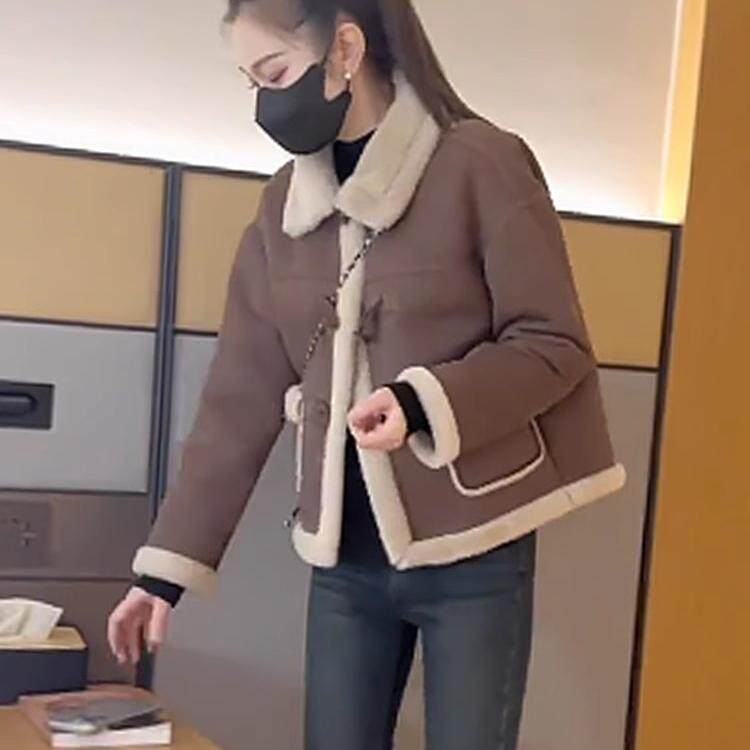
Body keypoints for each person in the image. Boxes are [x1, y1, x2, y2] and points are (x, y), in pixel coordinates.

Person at [107, 2, 626, 748]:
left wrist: (421, 402)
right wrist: (162, 575)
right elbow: (236, 399)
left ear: (345, 49)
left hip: (475, 549)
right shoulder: (284, 208)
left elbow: (553, 344)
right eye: (251, 83)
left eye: (274, 74)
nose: (264, 104)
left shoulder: (481, 162)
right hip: (344, 559)